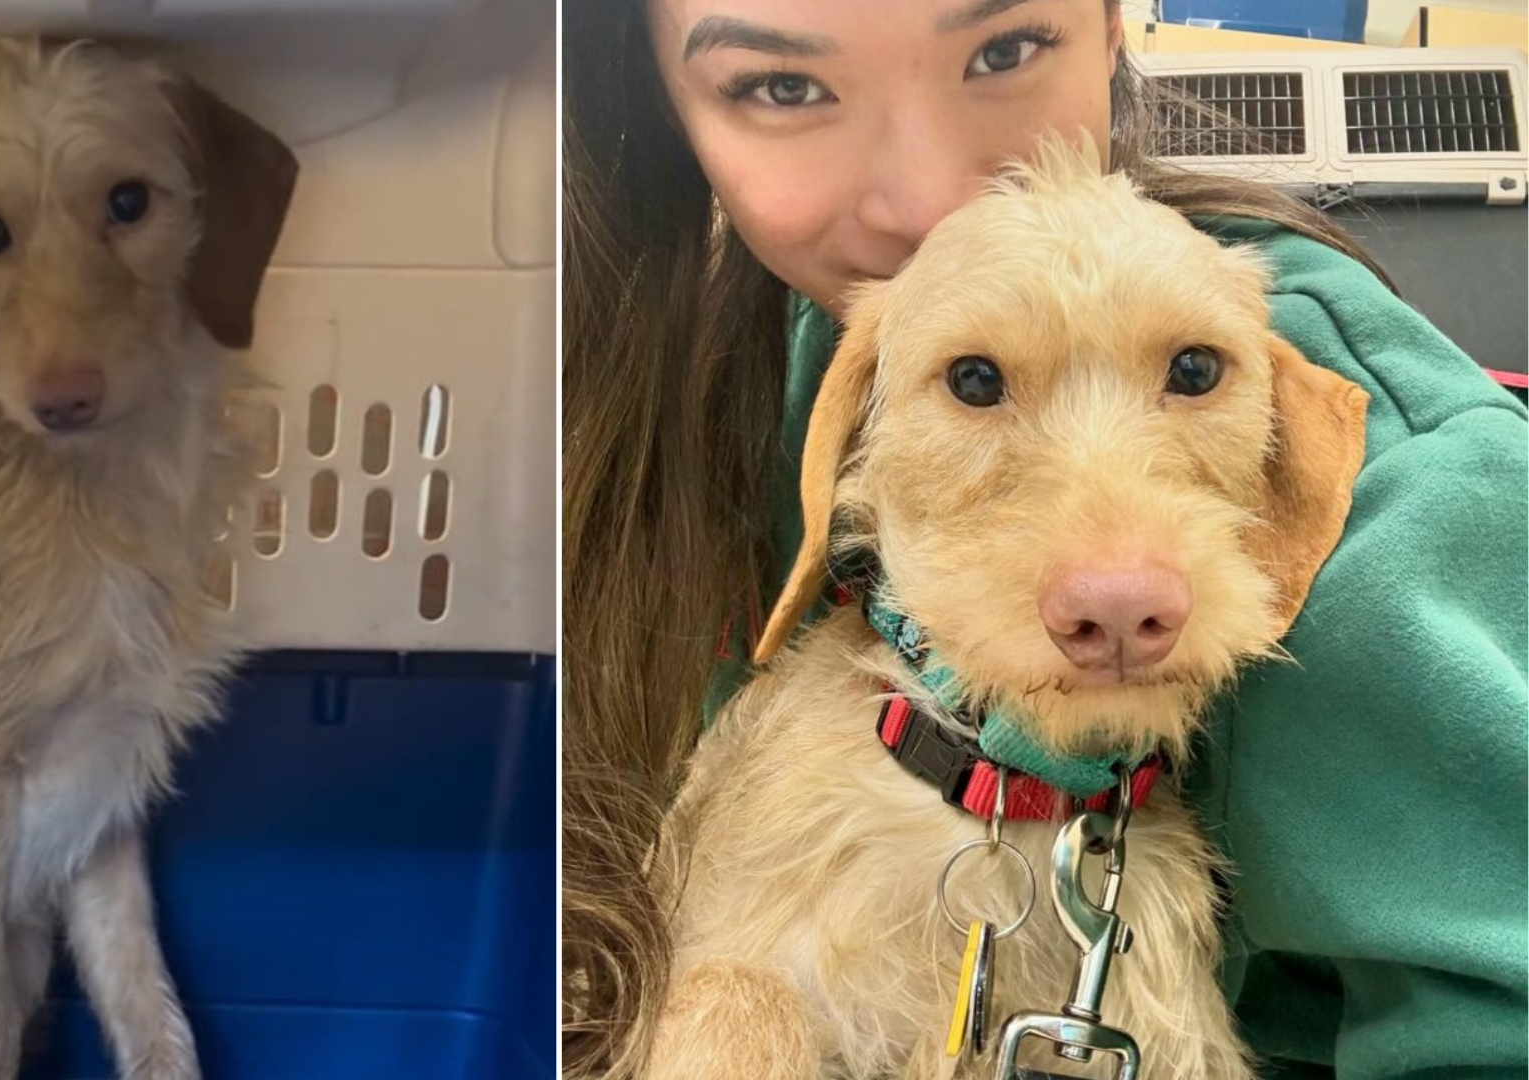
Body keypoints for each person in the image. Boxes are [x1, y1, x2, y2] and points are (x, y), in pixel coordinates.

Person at [561, 2, 1529, 1077]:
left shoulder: (1416, 494)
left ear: (1116, 26)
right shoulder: (706, 372)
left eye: (1003, 49)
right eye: (784, 87)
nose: (937, 205)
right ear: (664, 108)